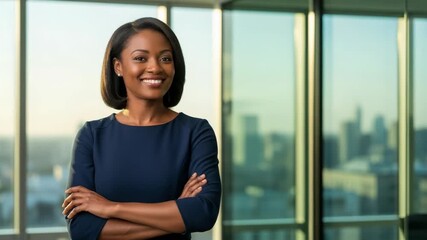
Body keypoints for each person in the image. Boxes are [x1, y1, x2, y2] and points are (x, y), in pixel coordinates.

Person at [61, 17, 221, 240]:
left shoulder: (196, 132)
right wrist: (177, 215)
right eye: (140, 58)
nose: (155, 67)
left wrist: (111, 208)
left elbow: (203, 213)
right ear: (118, 66)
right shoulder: (92, 135)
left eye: (165, 58)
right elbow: (82, 230)